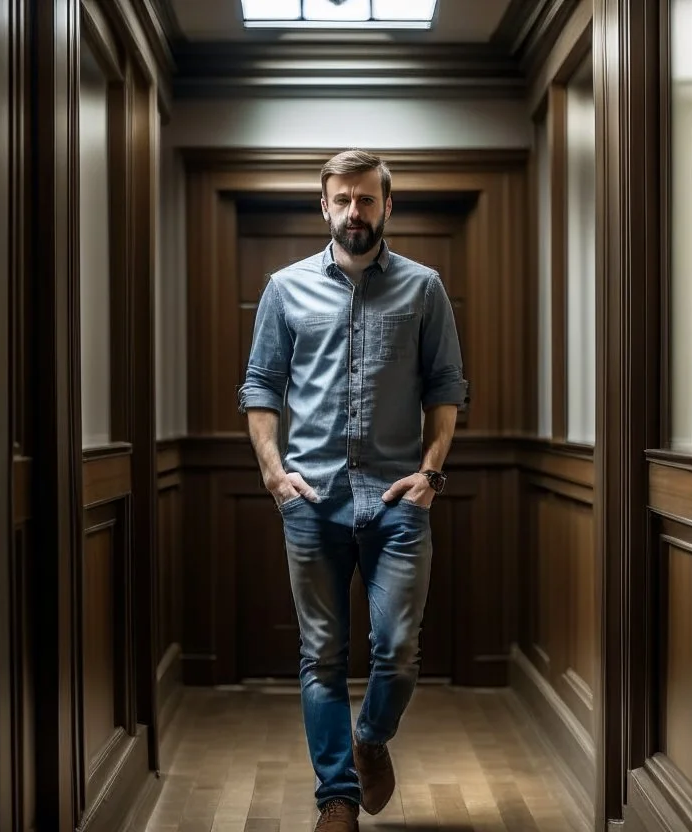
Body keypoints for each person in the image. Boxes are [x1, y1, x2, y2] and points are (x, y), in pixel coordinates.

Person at [237, 149, 469, 832]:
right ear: (324, 205)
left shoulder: (424, 288)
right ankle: (335, 797)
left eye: (366, 200)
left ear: (387, 206)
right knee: (321, 656)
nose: (353, 212)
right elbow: (260, 388)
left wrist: (429, 474)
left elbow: (447, 390)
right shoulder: (285, 288)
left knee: (397, 649)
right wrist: (274, 474)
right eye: (341, 199)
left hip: (398, 500)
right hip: (312, 502)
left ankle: (370, 739)